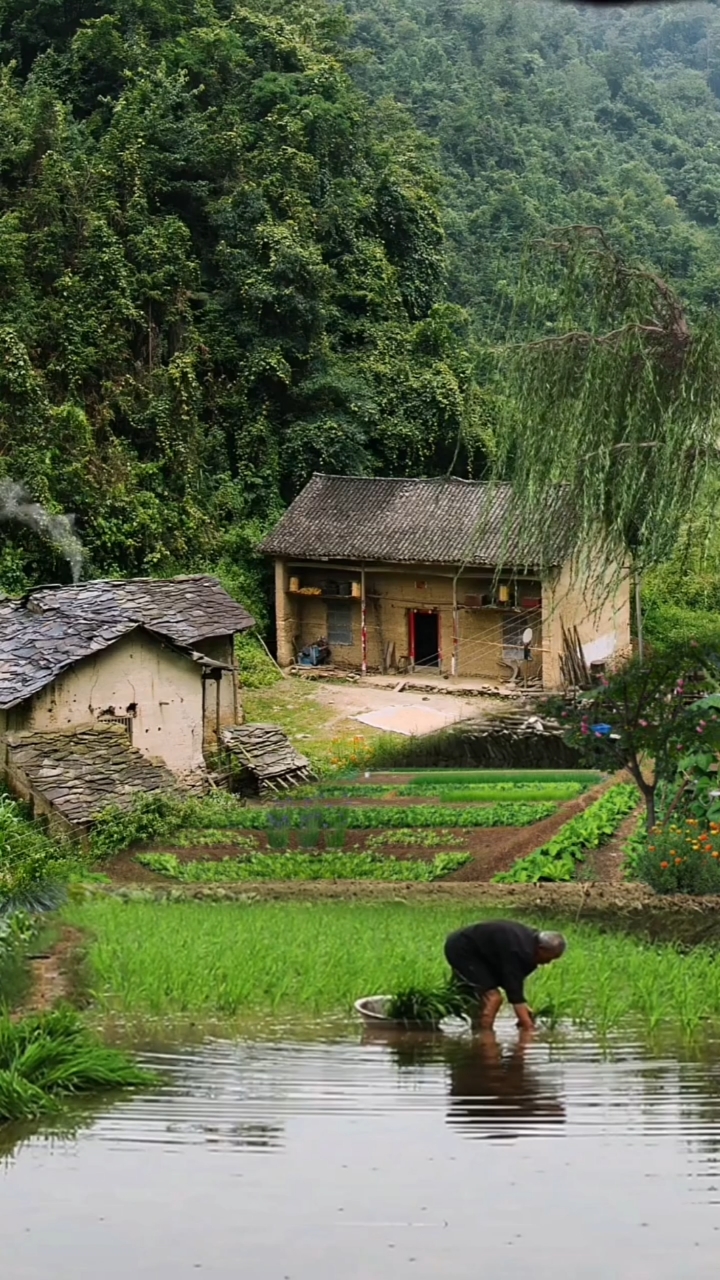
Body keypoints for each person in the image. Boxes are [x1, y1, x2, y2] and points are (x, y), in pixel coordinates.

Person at [444, 920, 566, 1032]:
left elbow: (512, 983)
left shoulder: (529, 946)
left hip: (484, 955)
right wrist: (528, 1026)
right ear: (541, 949)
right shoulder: (520, 951)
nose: (548, 962)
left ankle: (476, 1028)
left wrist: (523, 1009)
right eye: (549, 958)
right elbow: (514, 990)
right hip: (462, 949)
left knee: (476, 998)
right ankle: (485, 1036)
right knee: (494, 998)